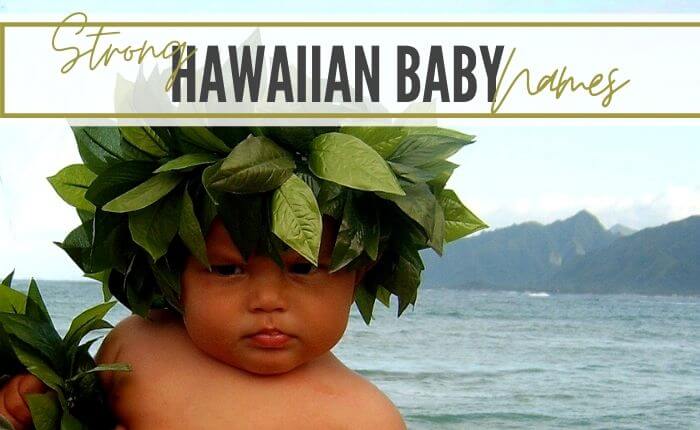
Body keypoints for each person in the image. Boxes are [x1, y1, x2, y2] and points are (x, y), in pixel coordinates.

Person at [0, 126, 485, 428]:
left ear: (359, 272)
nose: (268, 299)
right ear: (173, 273)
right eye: (227, 268)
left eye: (302, 268)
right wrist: (32, 402)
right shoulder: (135, 348)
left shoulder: (362, 418)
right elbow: (76, 413)